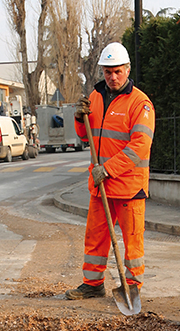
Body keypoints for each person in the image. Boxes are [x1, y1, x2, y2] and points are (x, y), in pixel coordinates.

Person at [65, 42, 155, 300]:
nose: (112, 77)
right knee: (96, 238)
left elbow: (140, 146)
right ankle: (92, 284)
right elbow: (86, 137)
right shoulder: (94, 97)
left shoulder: (140, 103)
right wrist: (78, 118)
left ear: (127, 69)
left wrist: (108, 169)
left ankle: (132, 286)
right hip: (100, 185)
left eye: (117, 71)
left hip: (128, 186)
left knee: (132, 241)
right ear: (102, 71)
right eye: (108, 72)